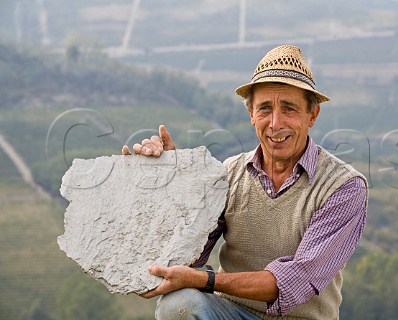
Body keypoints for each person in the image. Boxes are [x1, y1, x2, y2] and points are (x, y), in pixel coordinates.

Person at [122, 45, 368, 320]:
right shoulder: (229, 174)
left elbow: (297, 280)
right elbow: (186, 258)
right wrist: (175, 186)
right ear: (251, 115)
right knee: (178, 304)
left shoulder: (344, 187)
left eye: (289, 109)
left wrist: (206, 281)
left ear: (312, 115)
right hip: (232, 314)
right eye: (264, 108)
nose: (276, 123)